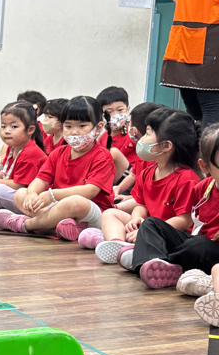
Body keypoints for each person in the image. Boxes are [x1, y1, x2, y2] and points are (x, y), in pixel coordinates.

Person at [78, 107, 200, 263]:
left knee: (149, 229)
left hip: (173, 234)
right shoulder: (148, 172)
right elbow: (141, 205)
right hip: (148, 226)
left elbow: (184, 220)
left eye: (148, 133)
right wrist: (136, 219)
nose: (142, 138)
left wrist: (147, 231)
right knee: (110, 214)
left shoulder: (186, 179)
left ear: (166, 146)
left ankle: (133, 249)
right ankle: (118, 244)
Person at [0, 95, 116, 240]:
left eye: (82, 126)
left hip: (91, 213)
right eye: (68, 126)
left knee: (75, 201)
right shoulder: (59, 153)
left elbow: (90, 191)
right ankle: (61, 225)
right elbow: (41, 179)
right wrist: (32, 193)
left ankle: (26, 224)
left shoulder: (102, 156)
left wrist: (53, 195)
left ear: (98, 128)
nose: (74, 132)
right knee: (21, 194)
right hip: (59, 208)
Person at [125, 124, 219, 289]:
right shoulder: (203, 188)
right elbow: (196, 223)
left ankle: (156, 262)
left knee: (197, 246)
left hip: (208, 251)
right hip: (198, 245)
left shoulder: (187, 179)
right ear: (205, 166)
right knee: (151, 223)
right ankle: (152, 264)